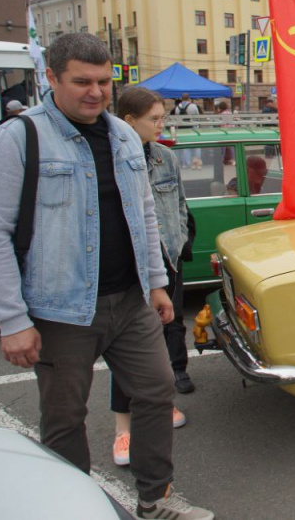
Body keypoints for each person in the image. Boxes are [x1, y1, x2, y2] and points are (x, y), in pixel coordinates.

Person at [0, 33, 213, 519]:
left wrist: (157, 284)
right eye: (82, 81)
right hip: (60, 309)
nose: (96, 92)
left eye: (104, 82)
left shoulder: (123, 135)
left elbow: (143, 214)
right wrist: (12, 319)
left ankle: (154, 500)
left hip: (130, 301)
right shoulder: (19, 138)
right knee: (63, 417)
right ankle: (71, 509)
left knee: (156, 390)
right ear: (52, 78)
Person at [112, 87, 194, 468]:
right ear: (129, 122)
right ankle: (122, 430)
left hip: (167, 260)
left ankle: (163, 405)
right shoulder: (113, 158)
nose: (162, 125)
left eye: (163, 117)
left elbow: (178, 203)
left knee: (163, 334)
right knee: (128, 345)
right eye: (155, 119)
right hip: (130, 267)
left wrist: (176, 243)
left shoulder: (165, 157)